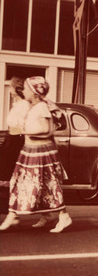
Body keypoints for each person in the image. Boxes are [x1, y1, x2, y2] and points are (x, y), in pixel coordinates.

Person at [0, 76, 71, 233]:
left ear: (34, 92)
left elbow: (47, 130)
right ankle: (43, 215)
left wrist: (24, 131)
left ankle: (63, 215)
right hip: (31, 151)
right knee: (25, 183)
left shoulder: (41, 107)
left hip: (41, 152)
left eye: (26, 88)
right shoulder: (35, 106)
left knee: (49, 184)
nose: (23, 90)